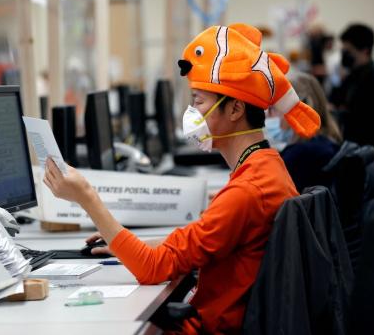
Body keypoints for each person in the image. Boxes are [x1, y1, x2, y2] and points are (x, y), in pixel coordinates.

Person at [44, 23, 321, 334]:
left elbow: (151, 268)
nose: (192, 112)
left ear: (235, 109)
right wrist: (125, 242)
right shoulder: (266, 167)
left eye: (199, 101)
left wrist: (87, 197)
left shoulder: (247, 192)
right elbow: (203, 241)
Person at [266, 70, 343, 192]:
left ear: (298, 110)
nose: (268, 115)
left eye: (273, 107)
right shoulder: (325, 143)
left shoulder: (297, 156)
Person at [330, 23, 374, 162]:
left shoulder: (372, 80)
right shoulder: (351, 75)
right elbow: (334, 100)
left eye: (348, 51)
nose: (344, 55)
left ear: (364, 50)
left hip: (362, 152)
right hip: (351, 145)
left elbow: (361, 120)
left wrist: (342, 112)